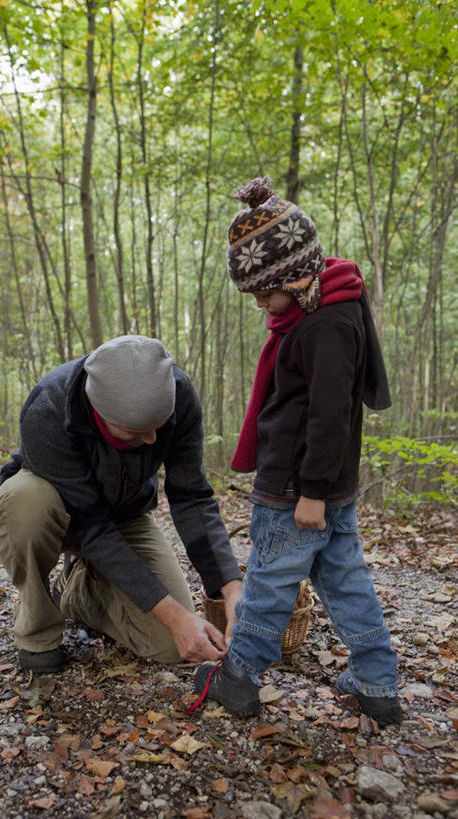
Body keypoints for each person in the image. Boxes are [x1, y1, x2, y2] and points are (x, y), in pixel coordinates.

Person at [193, 178, 402, 725]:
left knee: (270, 577)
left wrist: (310, 493)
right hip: (323, 486)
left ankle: (238, 675)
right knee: (344, 578)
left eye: (264, 291)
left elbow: (330, 415)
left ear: (294, 273)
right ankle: (377, 683)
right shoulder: (327, 306)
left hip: (299, 489)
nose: (261, 303)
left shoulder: (326, 324)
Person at [0, 334, 243, 674]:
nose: (152, 441)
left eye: (159, 427)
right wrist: (173, 614)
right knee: (25, 502)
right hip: (60, 514)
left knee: (171, 644)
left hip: (125, 515)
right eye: (135, 431)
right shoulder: (48, 407)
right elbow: (92, 528)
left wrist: (231, 589)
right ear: (98, 413)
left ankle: (77, 590)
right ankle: (38, 629)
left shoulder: (178, 393)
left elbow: (192, 496)